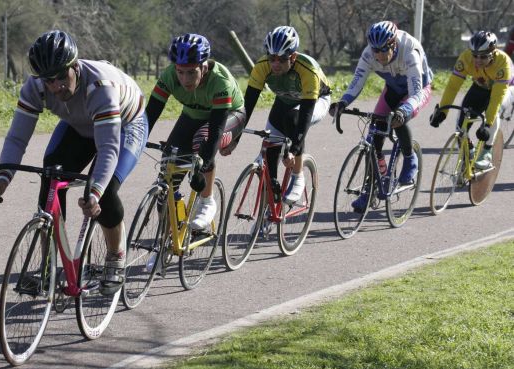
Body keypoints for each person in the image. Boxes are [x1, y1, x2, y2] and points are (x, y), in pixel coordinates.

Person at [0, 30, 149, 296]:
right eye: (49, 80)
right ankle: (48, 265)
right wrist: (3, 177)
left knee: (105, 193)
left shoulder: (99, 87)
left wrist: (94, 193)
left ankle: (115, 255)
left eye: (62, 76)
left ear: (75, 66)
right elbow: (16, 138)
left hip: (127, 125)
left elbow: (107, 148)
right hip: (80, 125)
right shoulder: (35, 87)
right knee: (51, 174)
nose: (57, 85)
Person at [145, 33, 245, 230]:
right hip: (192, 115)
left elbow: (216, 130)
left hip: (229, 115)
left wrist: (202, 167)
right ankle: (170, 236)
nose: (184, 79)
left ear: (204, 67)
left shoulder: (219, 81)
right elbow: (149, 116)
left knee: (203, 141)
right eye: (180, 72)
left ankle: (207, 200)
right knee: (167, 174)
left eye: (191, 72)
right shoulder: (169, 76)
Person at [329, 20, 432, 212]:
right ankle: (373, 186)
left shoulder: (409, 51)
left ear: (393, 44)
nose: (379, 55)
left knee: (397, 119)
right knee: (374, 135)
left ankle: (410, 158)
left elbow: (416, 92)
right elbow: (357, 82)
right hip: (392, 89)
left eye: (384, 49)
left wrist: (403, 110)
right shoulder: (369, 54)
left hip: (417, 91)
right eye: (376, 50)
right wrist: (343, 103)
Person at [242, 26, 331, 204]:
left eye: (282, 59)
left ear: (293, 57)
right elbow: (247, 105)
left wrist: (294, 148)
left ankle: (298, 176)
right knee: (269, 151)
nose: (275, 64)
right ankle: (270, 210)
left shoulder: (308, 70)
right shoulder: (262, 67)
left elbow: (305, 114)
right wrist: (234, 136)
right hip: (285, 99)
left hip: (316, 100)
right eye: (272, 58)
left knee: (293, 119)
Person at [430, 30, 513, 169]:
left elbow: (496, 99)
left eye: (483, 57)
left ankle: (487, 151)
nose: (478, 60)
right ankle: (469, 153)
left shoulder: (502, 63)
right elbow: (452, 87)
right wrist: (442, 111)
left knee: (494, 113)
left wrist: (487, 125)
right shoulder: (466, 58)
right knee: (461, 124)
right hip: (481, 86)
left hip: (506, 88)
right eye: (475, 56)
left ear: (493, 53)